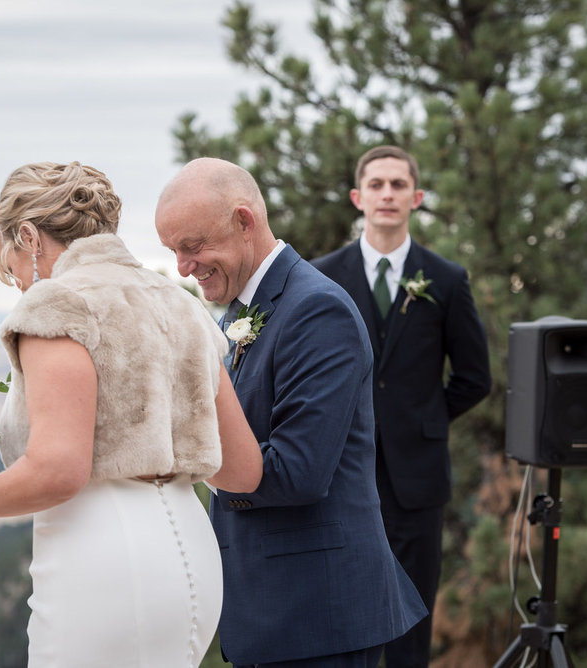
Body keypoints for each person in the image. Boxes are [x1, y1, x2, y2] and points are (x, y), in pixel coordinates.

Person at [0, 161, 263, 667]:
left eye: (13, 271)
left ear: (28, 236)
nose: (21, 287)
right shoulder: (182, 306)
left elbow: (57, 470)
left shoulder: (58, 304)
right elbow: (243, 470)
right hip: (194, 562)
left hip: (101, 559)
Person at [154, 157, 426, 668]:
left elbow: (297, 473)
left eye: (192, 247)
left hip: (320, 615)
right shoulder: (241, 310)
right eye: (174, 252)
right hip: (272, 611)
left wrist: (186, 450)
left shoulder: (317, 309)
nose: (183, 268)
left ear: (244, 221)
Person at [312, 145, 492, 667]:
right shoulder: (323, 277)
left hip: (418, 479)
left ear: (415, 197)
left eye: (397, 185)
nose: (386, 194)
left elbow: (474, 378)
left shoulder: (447, 279)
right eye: (376, 184)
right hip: (341, 473)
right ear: (357, 197)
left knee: (412, 618)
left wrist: (425, 420)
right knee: (344, 613)